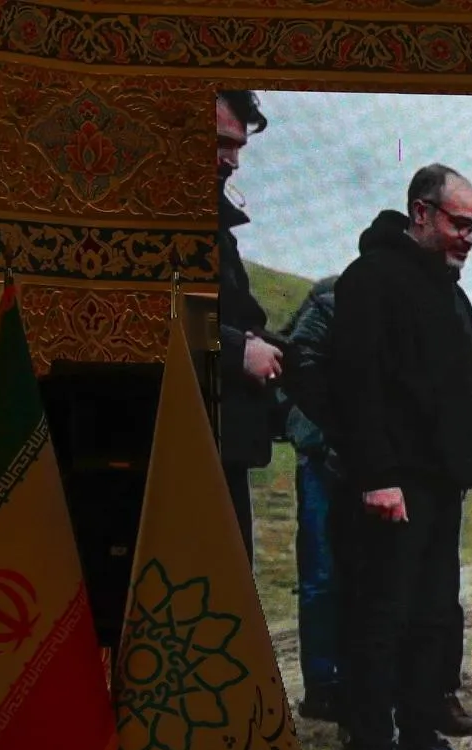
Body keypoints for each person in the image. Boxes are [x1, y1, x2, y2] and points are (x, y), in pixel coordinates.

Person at [328, 163, 472, 750]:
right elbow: (355, 384)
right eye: (460, 223)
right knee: (382, 618)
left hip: (438, 485)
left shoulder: (449, 293)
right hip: (392, 487)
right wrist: (378, 476)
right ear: (421, 212)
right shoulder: (372, 279)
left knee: (432, 615)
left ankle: (421, 739)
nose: (469, 238)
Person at [215, 90, 278, 559]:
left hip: (219, 446)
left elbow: (244, 317)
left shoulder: (220, 229)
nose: (232, 161)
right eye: (220, 142)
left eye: (238, 147)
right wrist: (237, 350)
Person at [277, 274, 343, 723]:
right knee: (321, 574)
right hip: (320, 456)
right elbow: (290, 359)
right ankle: (322, 686)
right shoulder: (327, 296)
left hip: (365, 458)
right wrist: (302, 426)